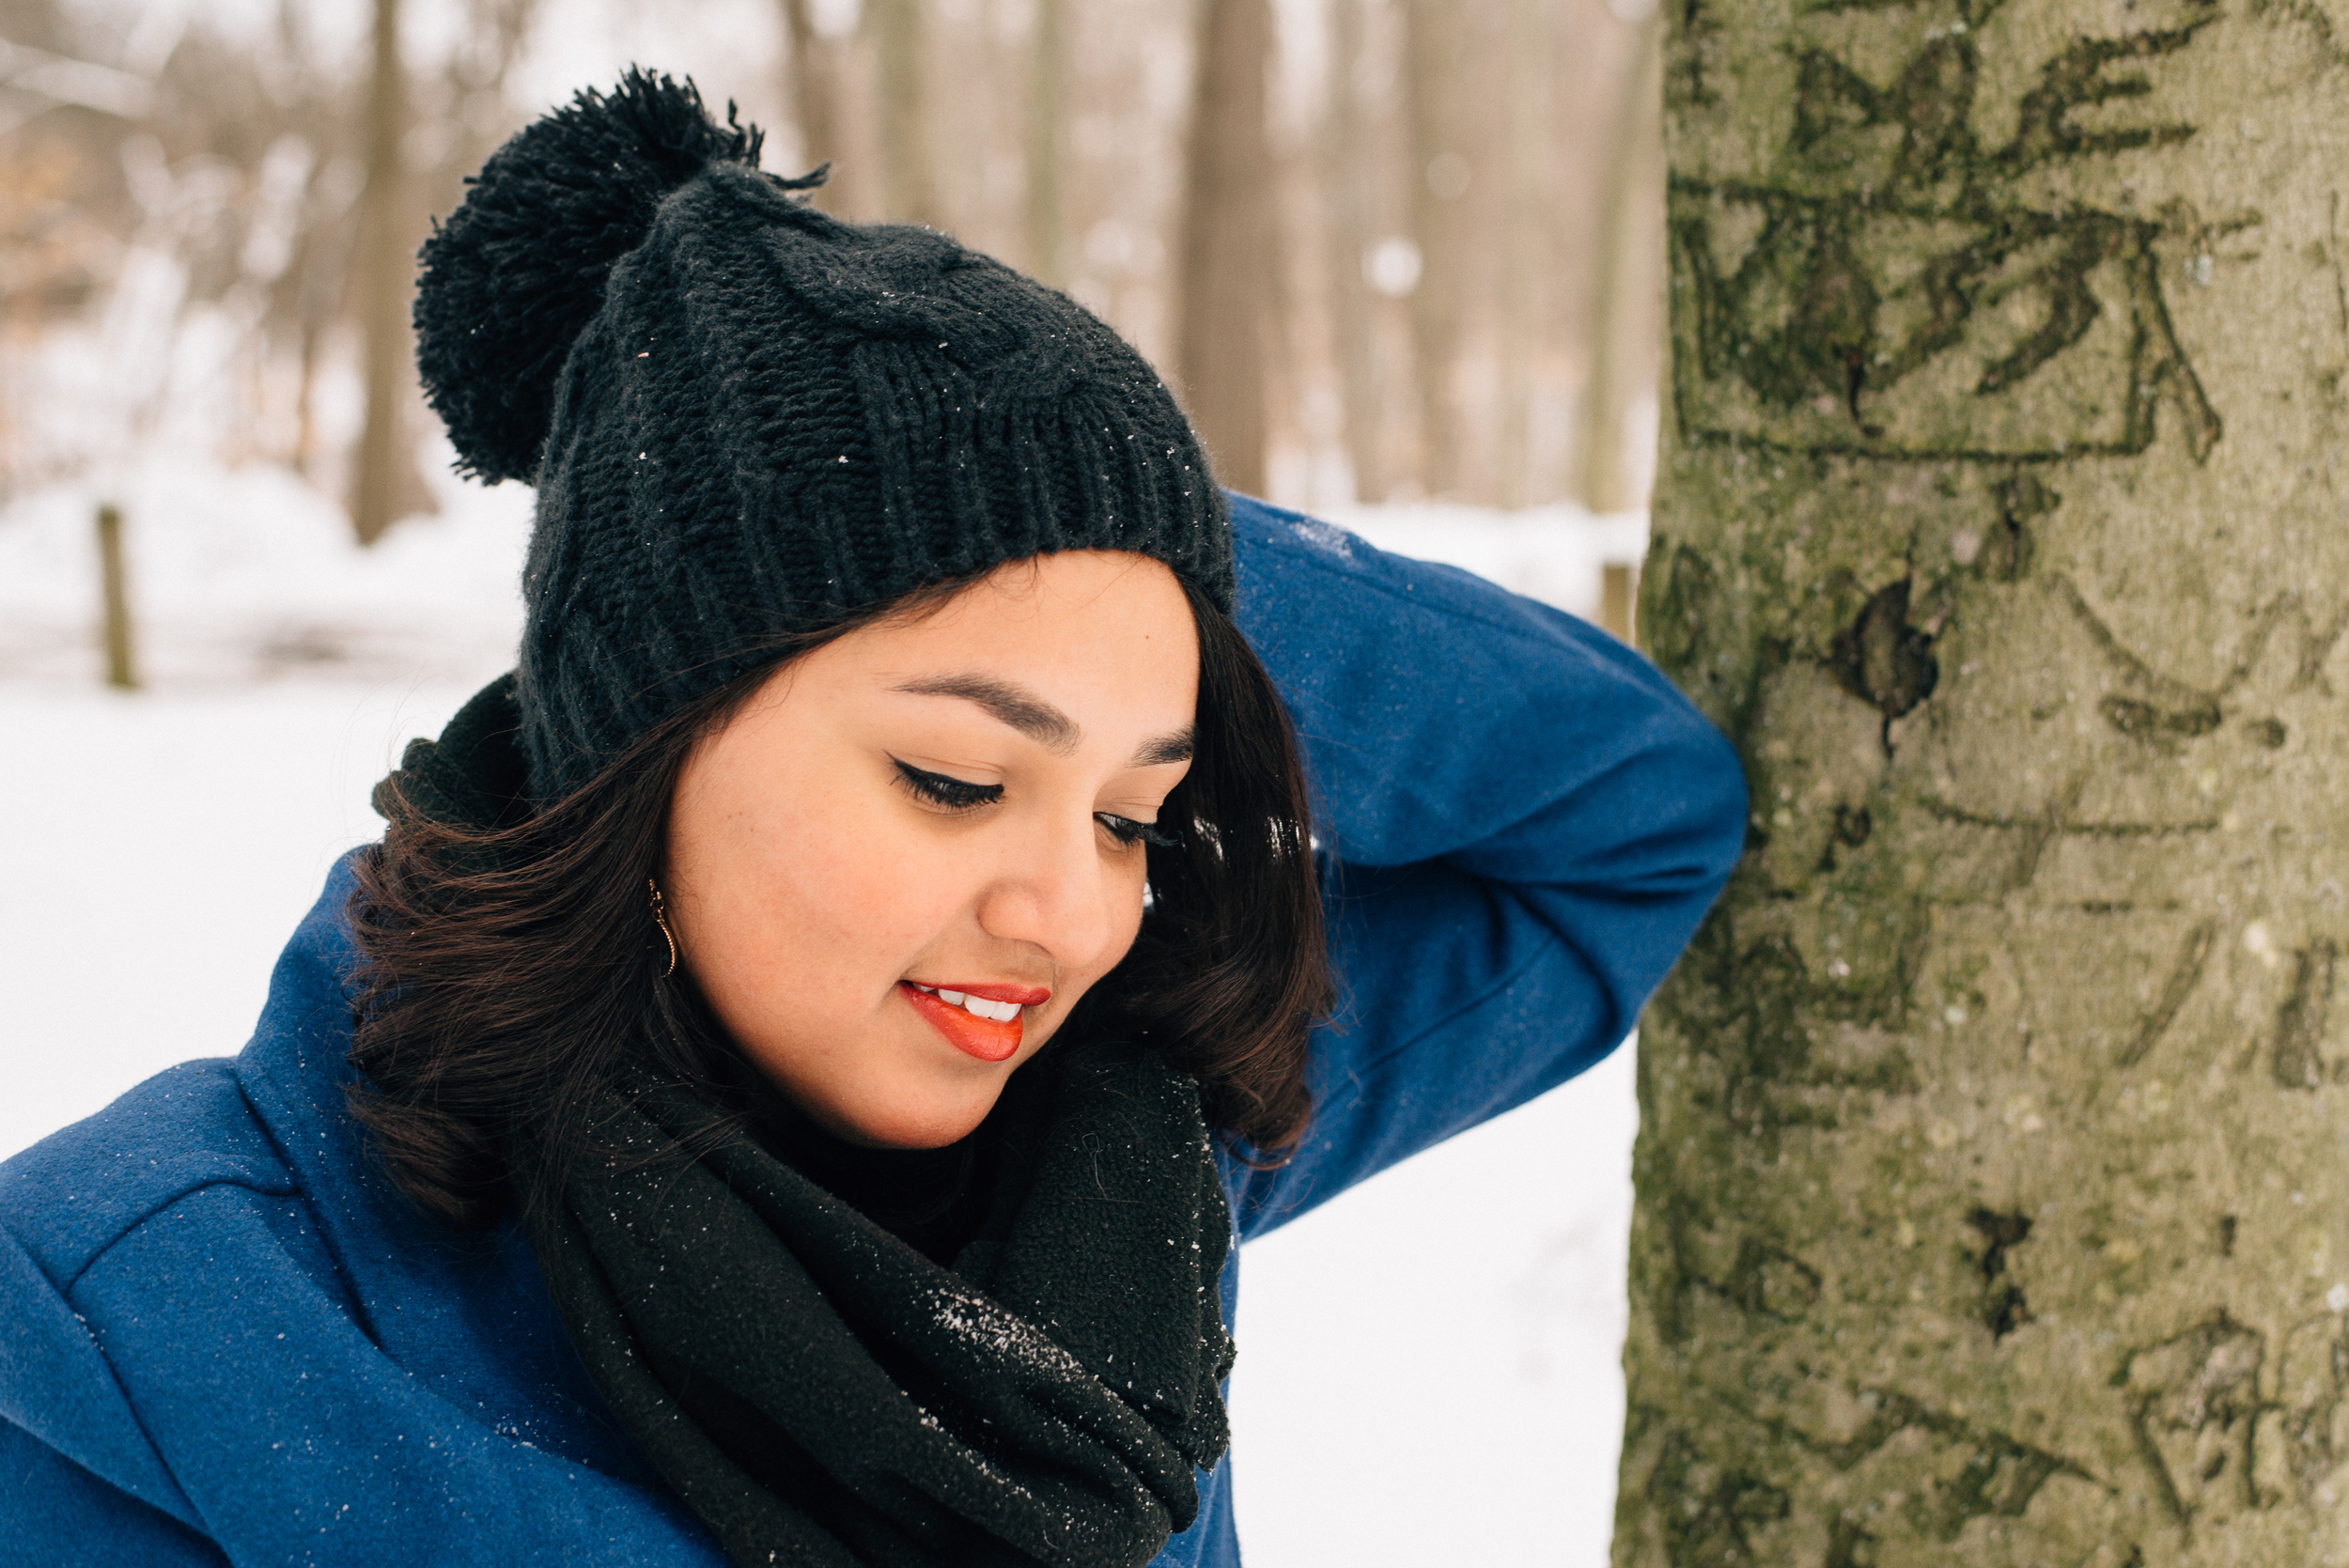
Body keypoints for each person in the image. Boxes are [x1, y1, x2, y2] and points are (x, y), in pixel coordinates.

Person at [0, 73, 1744, 1568]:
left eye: (1135, 814)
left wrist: (1112, 551)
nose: (1067, 917)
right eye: (957, 781)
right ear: (643, 744)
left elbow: (1627, 820)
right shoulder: (137, 1331)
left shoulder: (1131, 1159)